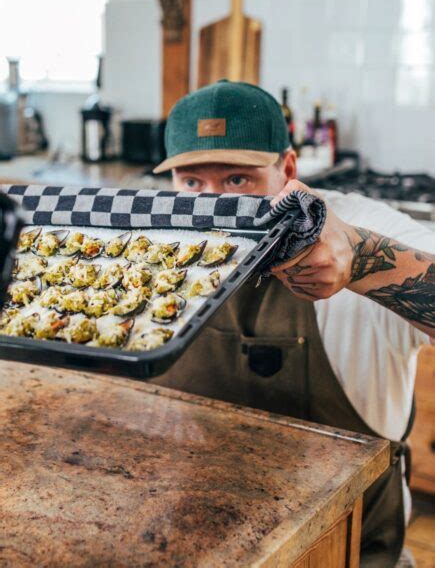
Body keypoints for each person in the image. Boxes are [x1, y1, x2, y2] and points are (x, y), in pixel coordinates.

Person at [153, 80, 434, 568]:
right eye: (192, 183)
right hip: (197, 538)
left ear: (287, 169)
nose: (215, 206)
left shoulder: (363, 226)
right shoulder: (155, 239)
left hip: (345, 551)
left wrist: (363, 258)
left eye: (238, 181)